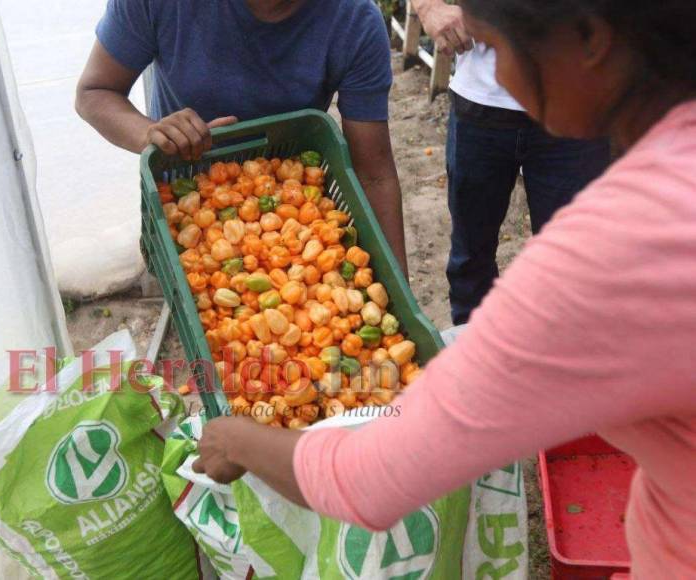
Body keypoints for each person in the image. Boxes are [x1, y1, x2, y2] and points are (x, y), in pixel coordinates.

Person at [193, 1, 696, 576]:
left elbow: (371, 478)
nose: (499, 79)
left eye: (498, 49)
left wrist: (236, 440)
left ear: (590, 39)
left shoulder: (607, 255)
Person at [76, 0, 409, 272]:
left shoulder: (354, 20)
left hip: (292, 209)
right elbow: (94, 92)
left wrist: (403, 304)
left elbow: (374, 174)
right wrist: (150, 133)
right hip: (187, 206)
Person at [411, 0, 610, 325]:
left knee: (574, 266)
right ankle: (474, 359)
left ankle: (560, 364)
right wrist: (428, 7)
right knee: (470, 261)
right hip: (481, 102)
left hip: (580, 103)